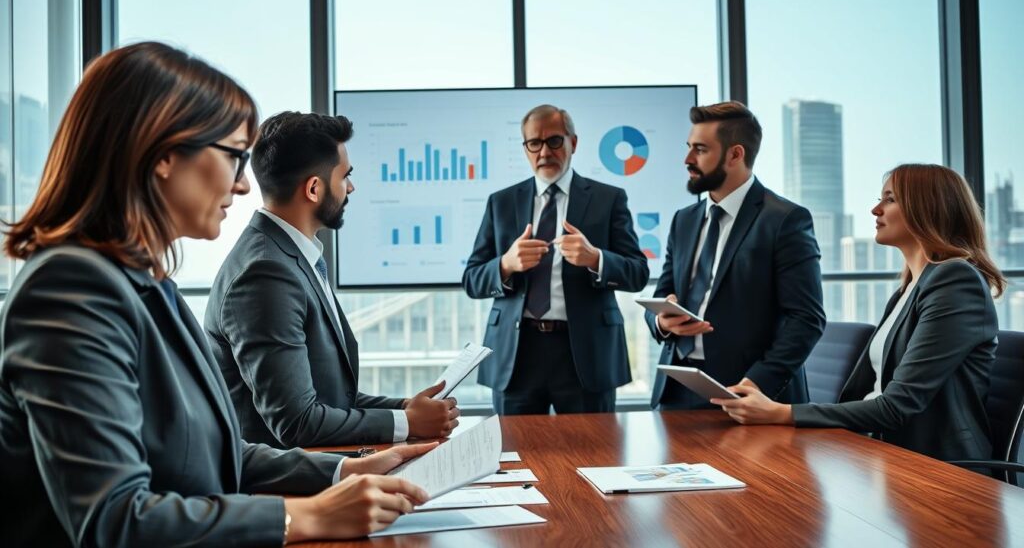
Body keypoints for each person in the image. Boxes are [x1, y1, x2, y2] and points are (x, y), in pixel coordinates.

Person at [0, 42, 434, 548]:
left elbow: (218, 452)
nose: (245, 185)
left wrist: (342, 472)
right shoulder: (70, 291)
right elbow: (115, 518)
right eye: (233, 156)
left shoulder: (148, 280)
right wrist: (305, 518)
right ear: (162, 154)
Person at [712, 164, 1002, 462]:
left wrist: (780, 412)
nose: (876, 209)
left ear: (927, 208)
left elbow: (896, 406)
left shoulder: (955, 281)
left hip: (936, 468)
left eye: (890, 199)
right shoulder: (906, 291)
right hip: (879, 452)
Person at [205, 111, 459, 448]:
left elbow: (333, 398)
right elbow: (297, 422)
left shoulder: (291, 257)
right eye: (345, 176)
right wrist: (407, 422)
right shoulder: (266, 272)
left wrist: (406, 409)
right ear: (314, 188)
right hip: (285, 489)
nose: (351, 187)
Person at [463, 104, 649, 415]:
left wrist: (596, 259)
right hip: (517, 354)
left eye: (554, 141)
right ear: (525, 148)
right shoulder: (502, 202)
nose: (544, 152)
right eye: (534, 143)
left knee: (594, 458)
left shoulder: (609, 198)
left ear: (573, 143)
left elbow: (638, 273)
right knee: (515, 457)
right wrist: (506, 264)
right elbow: (472, 280)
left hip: (586, 353)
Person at [647, 101, 825, 409]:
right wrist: (662, 322)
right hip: (677, 393)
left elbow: (806, 319)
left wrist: (757, 383)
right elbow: (664, 295)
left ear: (735, 154)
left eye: (700, 150)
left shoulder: (785, 219)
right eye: (689, 147)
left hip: (751, 395)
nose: (687, 159)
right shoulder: (683, 220)